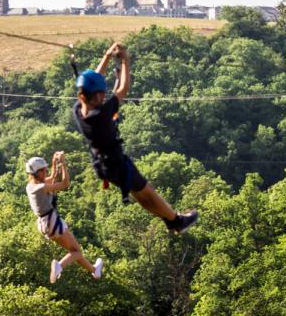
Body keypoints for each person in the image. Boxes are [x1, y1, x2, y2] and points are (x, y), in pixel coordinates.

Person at [72, 42, 198, 235]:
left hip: (102, 165)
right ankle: (176, 220)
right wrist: (126, 61)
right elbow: (123, 89)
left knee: (141, 194)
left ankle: (170, 220)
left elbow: (95, 78)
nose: (103, 96)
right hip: (116, 164)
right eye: (101, 93)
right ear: (94, 95)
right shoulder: (100, 115)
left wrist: (107, 56)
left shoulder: (79, 110)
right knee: (147, 192)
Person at [26, 151, 103, 283]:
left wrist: (54, 162)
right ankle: (59, 266)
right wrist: (63, 164)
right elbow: (65, 184)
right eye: (43, 170)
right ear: (37, 172)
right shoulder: (41, 187)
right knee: (77, 251)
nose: (46, 172)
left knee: (72, 252)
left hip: (45, 225)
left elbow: (53, 177)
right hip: (53, 222)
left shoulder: (31, 186)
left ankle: (94, 270)